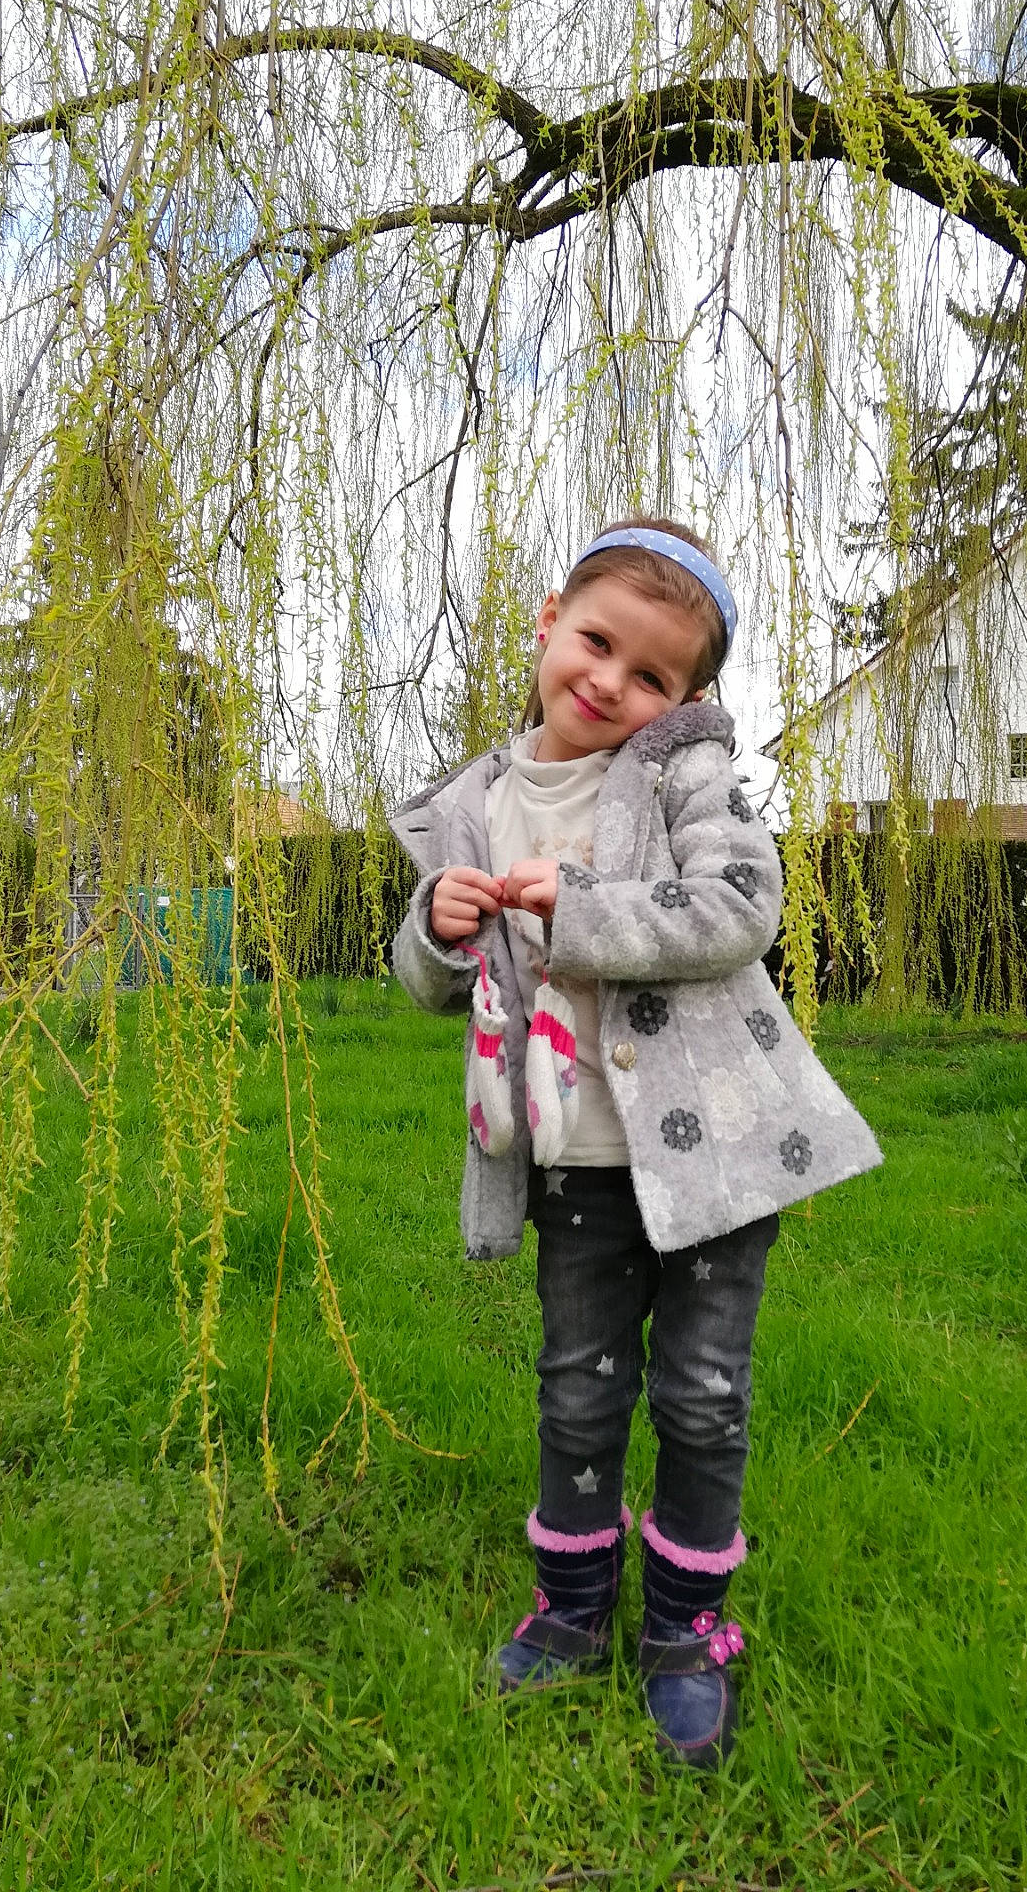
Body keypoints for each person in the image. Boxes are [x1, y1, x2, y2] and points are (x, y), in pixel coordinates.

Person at [388, 519, 881, 1768]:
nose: (611, 682)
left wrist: (589, 904)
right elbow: (440, 984)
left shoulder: (681, 778)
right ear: (549, 618)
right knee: (579, 1386)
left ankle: (684, 1628)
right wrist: (439, 931)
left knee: (704, 1396)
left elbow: (738, 906)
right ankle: (569, 1611)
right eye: (598, 643)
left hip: (710, 1155)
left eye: (651, 675)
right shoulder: (475, 803)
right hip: (573, 1160)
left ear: (687, 699)